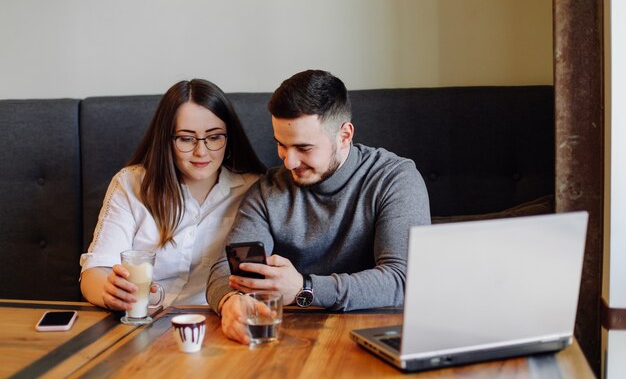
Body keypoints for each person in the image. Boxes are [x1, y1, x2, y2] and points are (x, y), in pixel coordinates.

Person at [207, 69, 431, 344]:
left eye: (304, 147)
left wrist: (305, 288)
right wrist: (229, 302)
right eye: (281, 144)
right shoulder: (268, 190)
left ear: (344, 135)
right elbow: (224, 269)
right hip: (291, 338)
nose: (288, 162)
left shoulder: (394, 179)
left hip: (379, 333)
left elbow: (402, 280)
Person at [80, 79, 266, 311]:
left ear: (229, 139)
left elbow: (252, 282)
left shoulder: (254, 189)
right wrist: (110, 291)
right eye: (186, 139)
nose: (201, 151)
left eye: (214, 137)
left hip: (216, 320)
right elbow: (95, 270)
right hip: (143, 320)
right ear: (166, 140)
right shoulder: (131, 184)